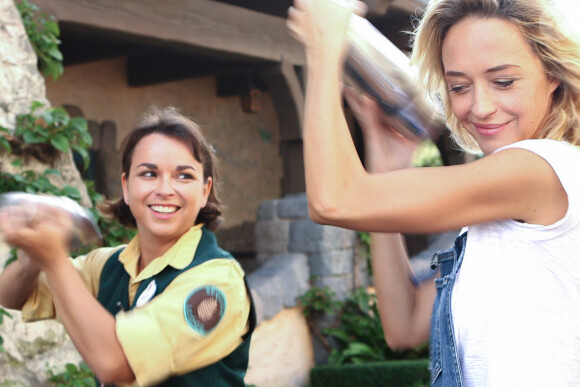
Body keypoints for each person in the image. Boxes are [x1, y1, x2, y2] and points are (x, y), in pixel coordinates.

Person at [287, 0, 580, 385]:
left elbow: (333, 200)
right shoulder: (499, 215)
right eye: (459, 86)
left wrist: (323, 53)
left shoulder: (544, 167)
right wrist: (386, 168)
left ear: (553, 75)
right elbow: (403, 326)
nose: (481, 106)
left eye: (504, 81)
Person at [0, 107, 256, 386]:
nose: (165, 189)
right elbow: (11, 295)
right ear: (126, 186)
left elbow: (117, 365)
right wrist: (32, 256)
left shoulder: (218, 283)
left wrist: (53, 259)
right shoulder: (108, 265)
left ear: (205, 191)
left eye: (184, 176)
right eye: (149, 174)